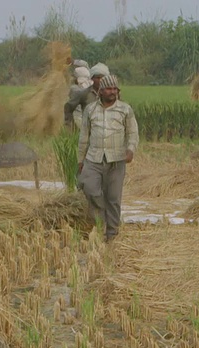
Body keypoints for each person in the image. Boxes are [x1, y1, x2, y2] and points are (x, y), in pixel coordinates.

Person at [77, 74, 139, 242]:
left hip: (116, 160)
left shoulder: (125, 109)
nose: (112, 92)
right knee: (89, 188)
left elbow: (133, 133)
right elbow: (84, 137)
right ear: (101, 91)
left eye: (114, 89)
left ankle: (111, 233)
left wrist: (130, 150)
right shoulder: (90, 110)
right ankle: (100, 220)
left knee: (113, 198)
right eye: (108, 89)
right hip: (93, 158)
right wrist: (80, 160)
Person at [64, 63, 110, 131]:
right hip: (88, 131)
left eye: (103, 78)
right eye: (97, 78)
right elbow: (68, 107)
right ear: (92, 78)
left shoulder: (112, 94)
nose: (100, 80)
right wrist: (70, 126)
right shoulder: (84, 93)